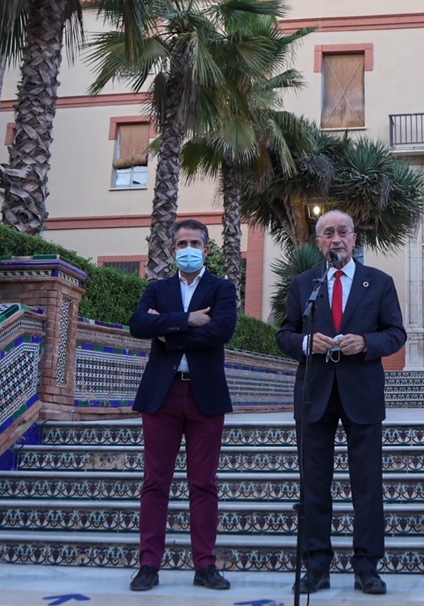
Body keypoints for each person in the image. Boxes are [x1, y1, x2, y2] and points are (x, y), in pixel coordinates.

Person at [276, 210, 407, 596]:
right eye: (328, 233)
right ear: (319, 243)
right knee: (314, 485)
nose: (336, 239)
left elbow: (395, 333)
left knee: (367, 485)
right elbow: (284, 334)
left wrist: (366, 343)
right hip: (314, 393)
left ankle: (367, 566)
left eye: (343, 232)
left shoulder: (379, 283)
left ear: (354, 239)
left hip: (361, 392)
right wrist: (305, 344)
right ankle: (316, 566)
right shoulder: (304, 285)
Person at [127, 219, 238, 593]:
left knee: (203, 483)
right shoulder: (157, 289)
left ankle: (205, 565)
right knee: (155, 482)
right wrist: (188, 320)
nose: (187, 249)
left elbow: (221, 330)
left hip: (205, 396)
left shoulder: (222, 288)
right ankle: (148, 564)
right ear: (173, 249)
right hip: (163, 395)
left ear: (206, 248)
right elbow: (138, 325)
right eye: (181, 243)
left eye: (194, 242)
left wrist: (168, 331)